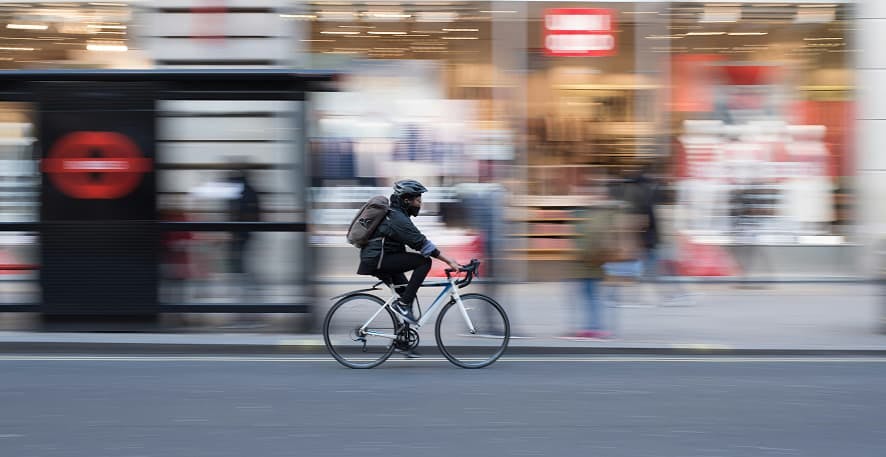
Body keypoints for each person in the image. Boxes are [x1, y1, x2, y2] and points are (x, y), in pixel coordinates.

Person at [357, 179, 461, 328]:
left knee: (407, 295)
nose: (420, 203)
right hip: (378, 260)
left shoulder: (397, 215)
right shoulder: (396, 218)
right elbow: (421, 243)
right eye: (418, 200)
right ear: (406, 200)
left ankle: (402, 341)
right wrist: (449, 261)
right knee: (424, 262)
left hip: (380, 259)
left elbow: (415, 240)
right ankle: (403, 305)